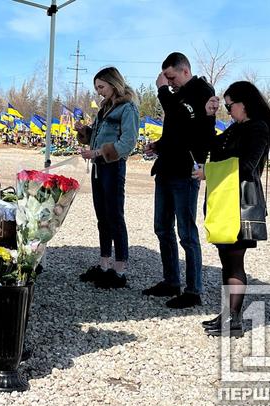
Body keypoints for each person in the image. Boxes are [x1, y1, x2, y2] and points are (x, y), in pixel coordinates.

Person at [193, 81, 270, 336]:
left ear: (245, 103)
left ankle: (234, 321)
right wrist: (209, 117)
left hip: (241, 204)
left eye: (230, 106)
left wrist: (208, 172)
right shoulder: (236, 128)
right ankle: (229, 315)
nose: (228, 110)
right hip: (227, 202)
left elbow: (247, 165)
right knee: (226, 262)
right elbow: (212, 146)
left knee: (234, 262)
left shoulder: (258, 128)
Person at [143, 52, 215, 308]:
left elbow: (190, 123)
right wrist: (158, 145)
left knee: (186, 232)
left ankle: (193, 290)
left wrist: (163, 92)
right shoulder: (179, 96)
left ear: (185, 71)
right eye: (167, 79)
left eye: (172, 77)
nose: (169, 82)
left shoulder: (202, 91)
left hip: (186, 172)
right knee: (162, 228)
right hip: (166, 169)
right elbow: (178, 131)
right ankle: (171, 281)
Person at [75, 67, 139, 289]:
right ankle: (103, 265)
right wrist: (85, 132)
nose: (99, 92)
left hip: (113, 168)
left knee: (115, 217)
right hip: (98, 168)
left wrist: (98, 152)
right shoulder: (104, 109)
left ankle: (119, 271)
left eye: (101, 87)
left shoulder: (127, 108)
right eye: (96, 88)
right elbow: (97, 137)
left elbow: (128, 142)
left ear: (114, 84)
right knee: (102, 217)